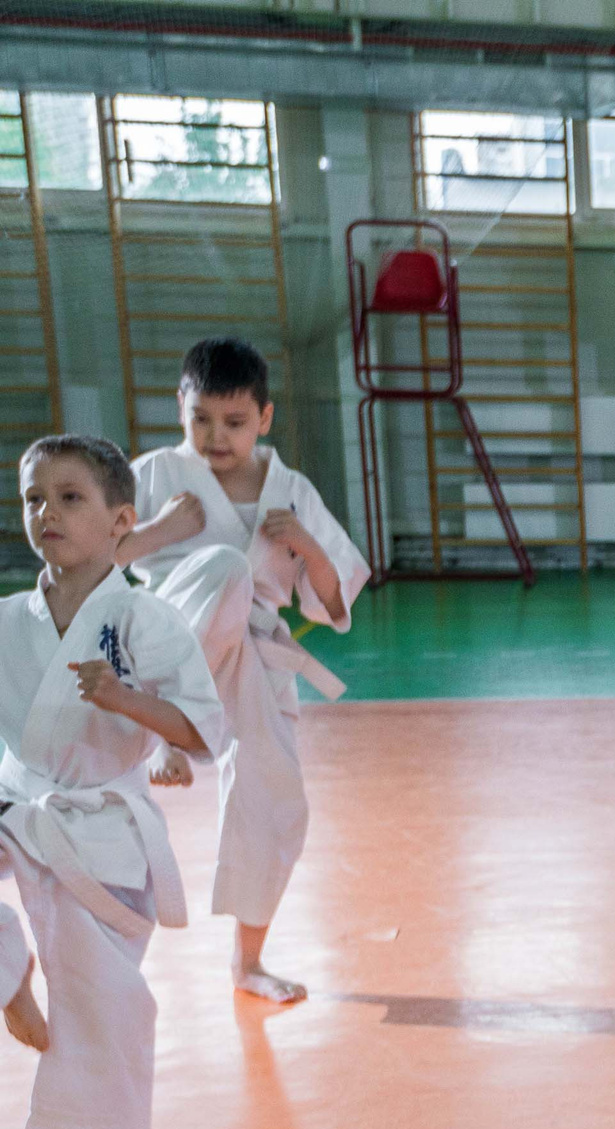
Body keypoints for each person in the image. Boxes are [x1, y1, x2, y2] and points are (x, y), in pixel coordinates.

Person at [7, 435, 225, 1129]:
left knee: (102, 1001)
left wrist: (125, 699)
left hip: (104, 829)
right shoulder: (6, 621)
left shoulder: (144, 619)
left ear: (120, 519)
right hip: (22, 804)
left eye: (69, 498)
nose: (46, 513)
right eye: (34, 498)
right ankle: (10, 975)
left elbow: (203, 731)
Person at [120, 336, 369, 1005]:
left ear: (264, 417)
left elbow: (334, 595)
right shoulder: (150, 478)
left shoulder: (291, 491)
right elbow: (93, 565)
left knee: (276, 802)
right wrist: (160, 533)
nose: (215, 436)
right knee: (226, 572)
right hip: (168, 643)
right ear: (180, 405)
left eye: (233, 422)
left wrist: (307, 544)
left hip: (252, 657)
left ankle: (248, 962)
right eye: (200, 418)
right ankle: (169, 730)